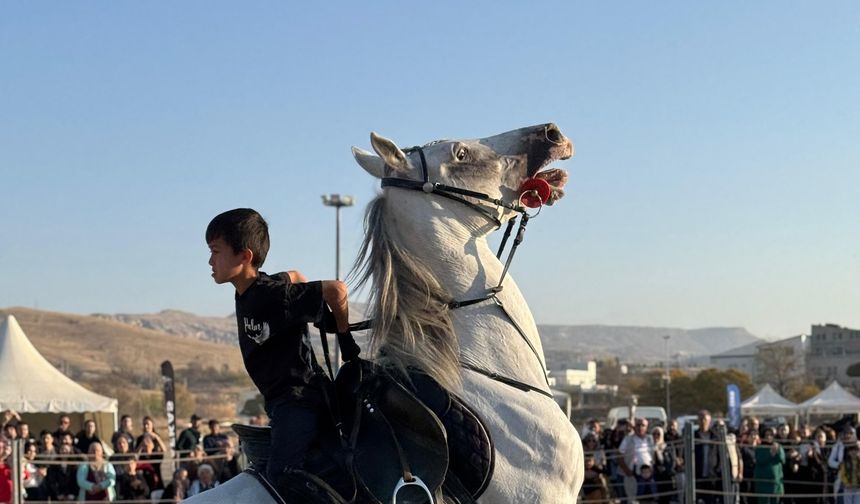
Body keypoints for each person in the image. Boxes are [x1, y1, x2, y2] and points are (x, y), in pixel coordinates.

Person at [206, 208, 359, 485]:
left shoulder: (271, 295)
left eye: (216, 251)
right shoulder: (255, 289)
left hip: (300, 399)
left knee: (280, 477)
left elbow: (337, 290)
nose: (209, 260)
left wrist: (344, 336)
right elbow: (297, 275)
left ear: (244, 256)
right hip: (281, 403)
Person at [619, 417, 655, 503]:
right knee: (632, 499)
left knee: (649, 499)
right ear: (634, 426)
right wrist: (626, 470)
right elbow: (619, 454)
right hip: (633, 473)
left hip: (648, 474)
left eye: (643, 425)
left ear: (646, 427)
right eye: (638, 425)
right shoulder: (628, 439)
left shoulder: (650, 439)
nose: (640, 427)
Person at [754, 427, 785, 504]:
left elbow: (783, 460)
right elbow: (760, 460)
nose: (768, 437)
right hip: (763, 484)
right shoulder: (760, 448)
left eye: (771, 435)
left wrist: (777, 451)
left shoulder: (779, 447)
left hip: (776, 484)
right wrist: (770, 454)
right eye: (766, 435)